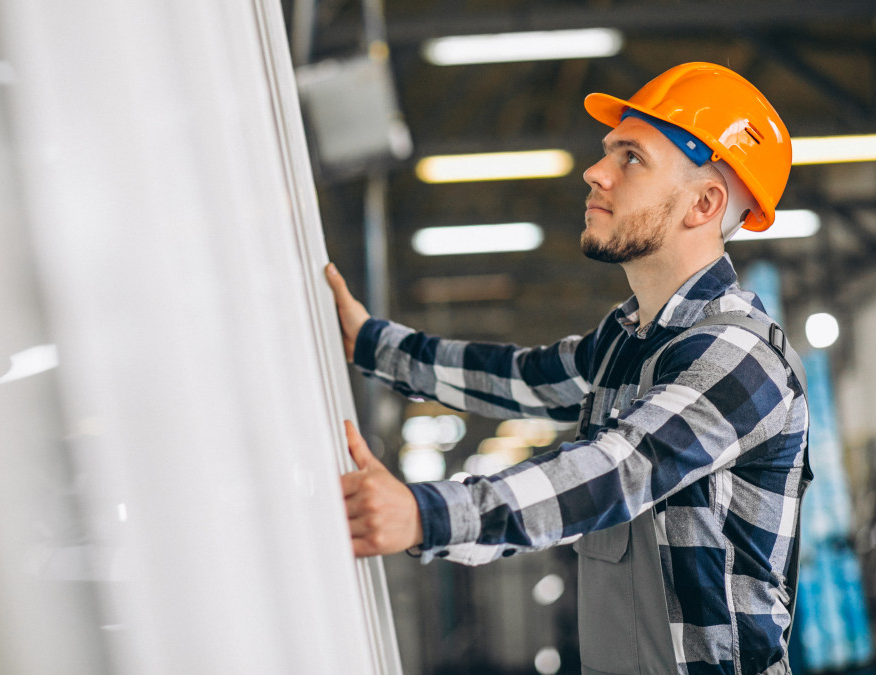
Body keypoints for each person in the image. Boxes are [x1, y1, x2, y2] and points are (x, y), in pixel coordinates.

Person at [326, 62, 810, 675]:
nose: (595, 171)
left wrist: (425, 515)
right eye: (608, 152)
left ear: (704, 202)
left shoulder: (740, 359)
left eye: (630, 158)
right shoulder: (628, 339)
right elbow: (523, 378)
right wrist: (372, 344)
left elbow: (617, 469)